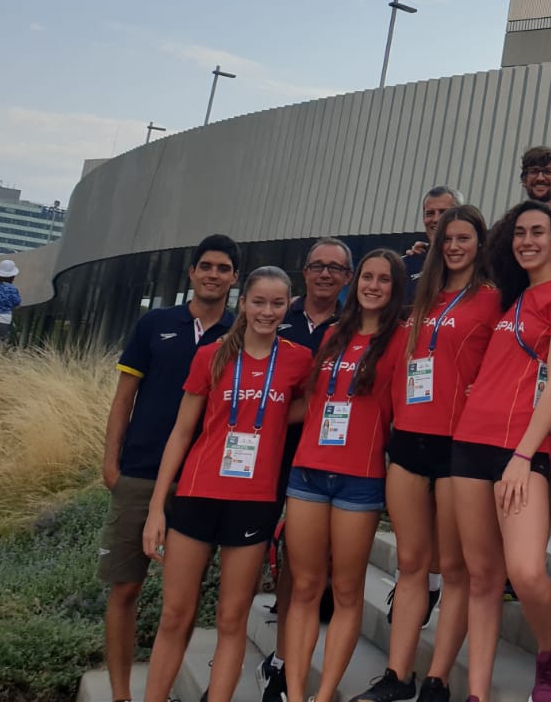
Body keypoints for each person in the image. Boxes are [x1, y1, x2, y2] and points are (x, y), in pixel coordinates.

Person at [139, 267, 313, 702]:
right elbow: (182, 431)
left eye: (277, 304)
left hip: (254, 501)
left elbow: (311, 405)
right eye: (259, 302)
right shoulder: (212, 355)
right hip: (198, 493)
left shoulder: (297, 359)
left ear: (288, 306)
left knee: (232, 619)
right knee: (176, 615)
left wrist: (271, 419)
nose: (267, 312)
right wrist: (157, 507)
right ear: (243, 303)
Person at [355, 208, 500, 702]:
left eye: (464, 238)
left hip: (461, 445)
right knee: (413, 563)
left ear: (480, 244)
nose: (454, 246)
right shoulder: (418, 297)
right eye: (446, 238)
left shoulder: (493, 299)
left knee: (454, 568)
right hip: (409, 440)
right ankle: (399, 676)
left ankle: (437, 677)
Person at [451, 201, 551, 702]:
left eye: (538, 232)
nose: (527, 240)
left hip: (520, 450)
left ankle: (549, 652)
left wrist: (522, 455)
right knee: (484, 578)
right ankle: (477, 693)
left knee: (527, 571)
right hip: (470, 442)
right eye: (519, 233)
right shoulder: (513, 300)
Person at [98, 234, 239, 702]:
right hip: (139, 471)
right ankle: (121, 695)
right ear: (192, 273)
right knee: (125, 588)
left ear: (234, 277)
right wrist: (111, 463)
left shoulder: (242, 333)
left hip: (202, 481)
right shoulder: (155, 324)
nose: (213, 274)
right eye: (206, 266)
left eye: (223, 268)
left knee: (182, 605)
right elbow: (124, 400)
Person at [284, 250, 409, 702]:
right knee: (303, 587)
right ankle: (296, 693)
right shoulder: (334, 334)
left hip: (360, 479)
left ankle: (325, 695)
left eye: (384, 280)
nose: (373, 286)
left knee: (346, 591)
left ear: (396, 288)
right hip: (308, 474)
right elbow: (305, 402)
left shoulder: (401, 340)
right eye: (367, 277)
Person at [259, 237, 352, 702]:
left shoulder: (353, 325)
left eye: (335, 269)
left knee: (302, 562)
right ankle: (273, 658)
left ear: (346, 279)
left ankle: (282, 664)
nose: (325, 274)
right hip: (264, 452)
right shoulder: (280, 316)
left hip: (321, 459)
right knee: (250, 553)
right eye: (318, 266)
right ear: (304, 272)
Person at [404, 187, 461, 277]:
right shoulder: (406, 267)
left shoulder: (476, 265)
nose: (436, 219)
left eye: (443, 212)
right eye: (430, 213)